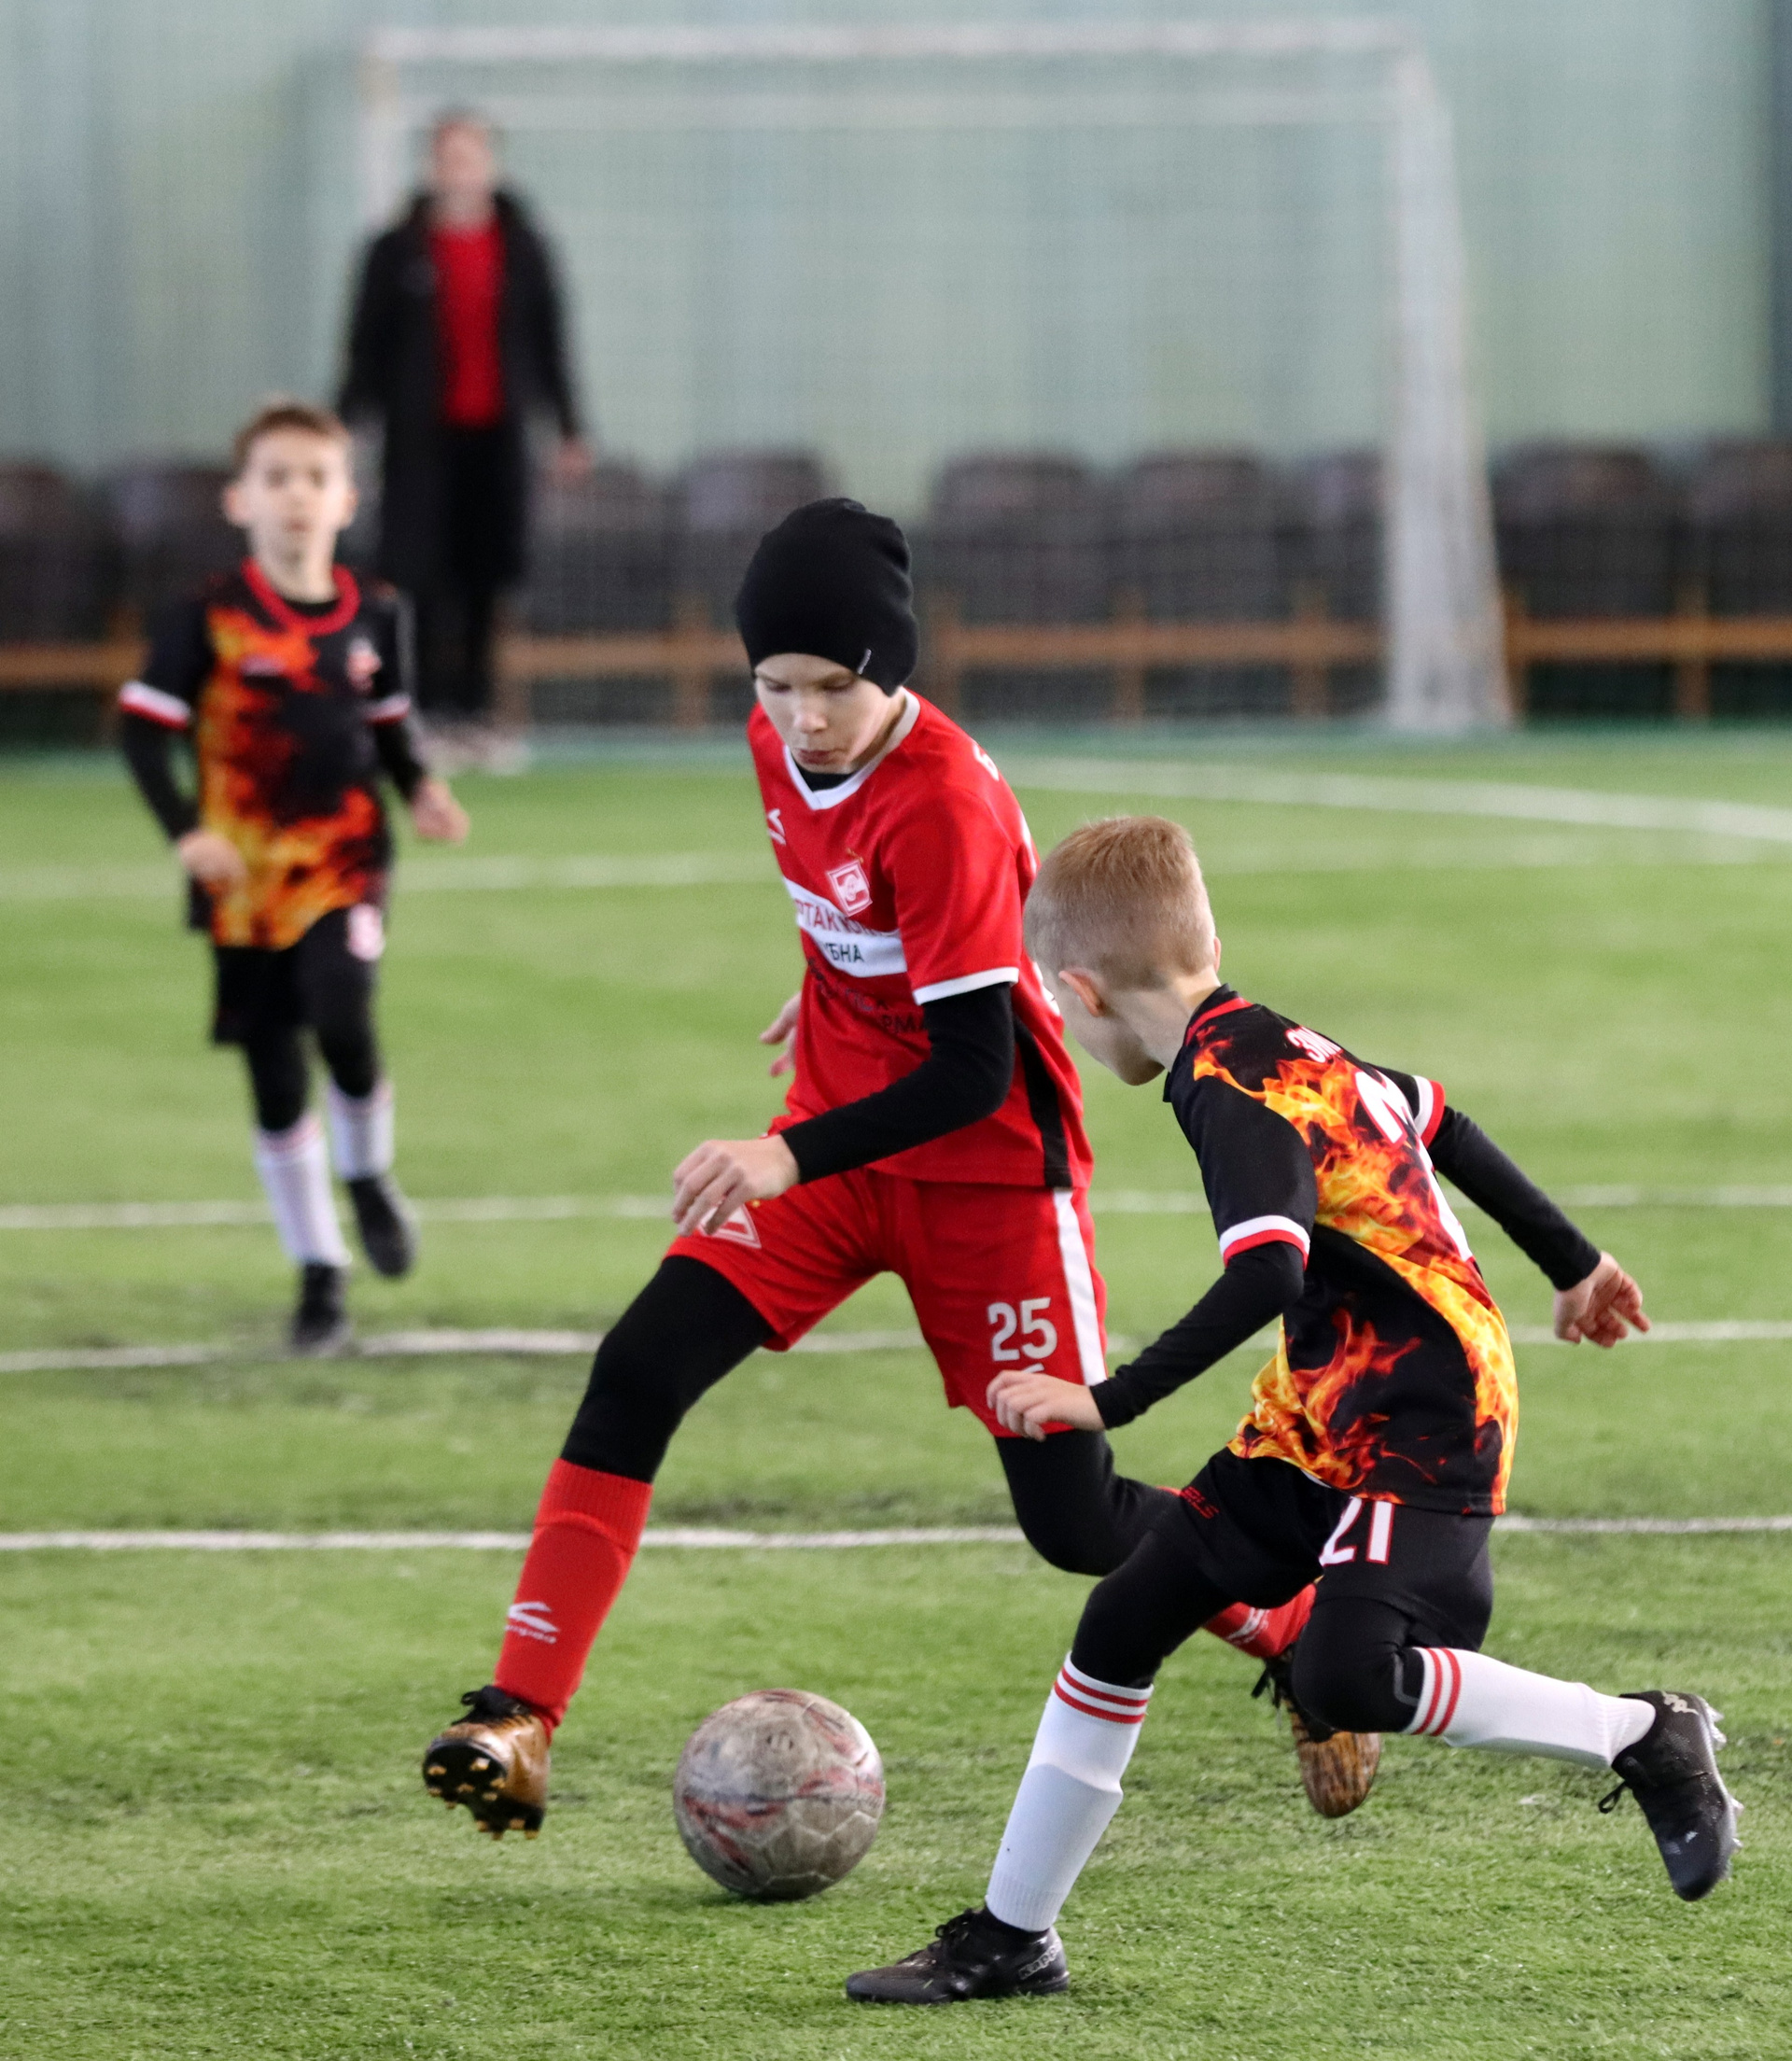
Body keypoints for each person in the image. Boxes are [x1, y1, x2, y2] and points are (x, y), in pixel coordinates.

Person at [418, 501, 1373, 1840]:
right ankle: (517, 1715)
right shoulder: (774, 744)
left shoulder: (947, 805)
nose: (804, 717)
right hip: (838, 1156)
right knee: (638, 1368)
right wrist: (822, 992)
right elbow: (849, 912)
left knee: (1074, 1520)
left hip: (988, 1183)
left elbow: (973, 1070)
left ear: (892, 668)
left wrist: (779, 1152)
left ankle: (1299, 1620)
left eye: (833, 687)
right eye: (777, 685)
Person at [846, 815, 1739, 2005]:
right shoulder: (1277, 1041)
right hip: (1322, 1404)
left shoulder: (1227, 1092)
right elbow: (1437, 1117)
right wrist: (1573, 1263)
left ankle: (1642, 1732)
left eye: (1061, 1006)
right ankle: (1014, 1938)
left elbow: (1266, 1271)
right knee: (1126, 1616)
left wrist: (1100, 1400)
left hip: (1428, 1409)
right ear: (1206, 944)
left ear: (1080, 992)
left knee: (1348, 1675)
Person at [118, 400, 469, 1353]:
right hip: (240, 875)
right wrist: (188, 834)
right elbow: (142, 734)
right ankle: (320, 1272)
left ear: (347, 499)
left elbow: (389, 725)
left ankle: (368, 1176)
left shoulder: (376, 612)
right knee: (275, 1074)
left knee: (343, 1011)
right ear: (241, 500)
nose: (297, 496)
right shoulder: (206, 616)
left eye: (317, 477)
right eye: (276, 478)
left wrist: (421, 789)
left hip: (344, 857)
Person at [338, 111, 590, 764]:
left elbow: (551, 342)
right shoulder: (395, 250)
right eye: (448, 157)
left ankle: (478, 714)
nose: (459, 169)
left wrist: (568, 426)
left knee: (485, 577)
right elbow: (365, 347)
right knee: (419, 577)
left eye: (471, 156)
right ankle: (424, 713)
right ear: (432, 166)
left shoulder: (523, 247)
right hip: (420, 442)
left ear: (490, 165)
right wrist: (346, 422)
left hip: (497, 441)